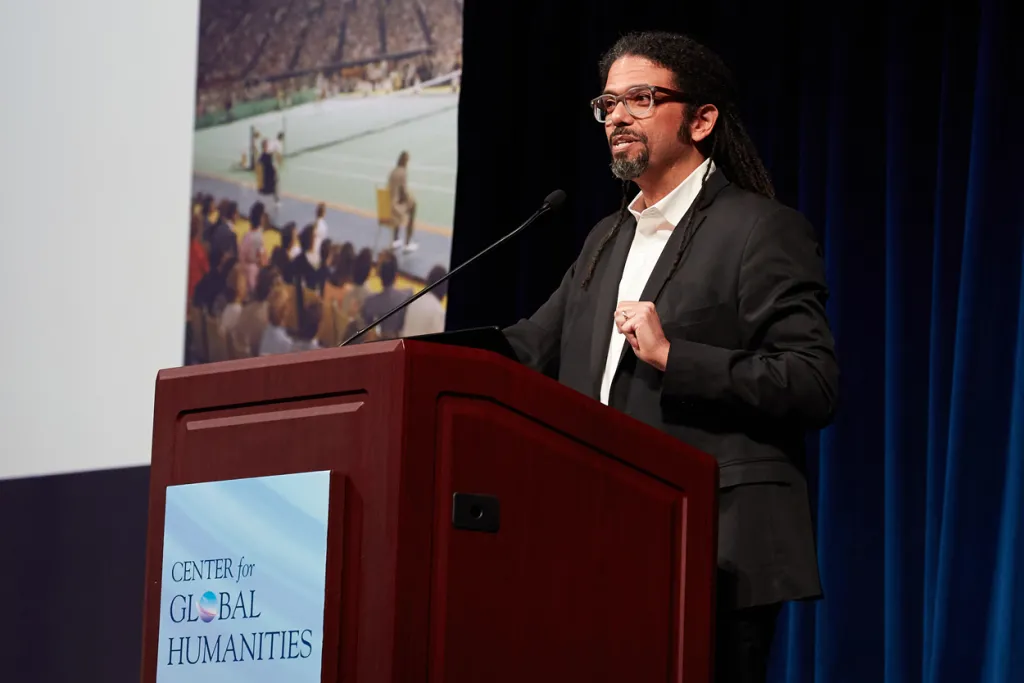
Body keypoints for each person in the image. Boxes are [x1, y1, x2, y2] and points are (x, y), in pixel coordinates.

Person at [502, 31, 839, 683]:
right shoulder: (605, 239)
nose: (617, 116)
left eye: (640, 98)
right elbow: (524, 348)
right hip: (597, 547)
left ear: (702, 118)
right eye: (607, 103)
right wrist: (402, 356)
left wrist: (673, 356)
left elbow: (812, 381)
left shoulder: (760, 230)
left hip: (712, 552)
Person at [387, 151, 418, 253]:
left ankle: (395, 239)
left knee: (406, 204)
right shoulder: (403, 172)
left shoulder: (393, 171)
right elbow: (403, 192)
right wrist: (411, 199)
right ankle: (407, 243)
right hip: (394, 208)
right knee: (413, 206)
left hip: (386, 205)